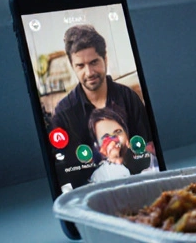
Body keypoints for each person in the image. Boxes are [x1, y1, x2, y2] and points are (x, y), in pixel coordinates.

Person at [51, 24, 156, 186]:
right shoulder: (64, 114)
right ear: (73, 66)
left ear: (105, 59)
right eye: (80, 66)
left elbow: (148, 148)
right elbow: (70, 173)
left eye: (94, 62)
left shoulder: (128, 97)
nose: (89, 72)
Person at [87, 104, 159, 183]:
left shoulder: (150, 161)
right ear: (98, 147)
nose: (114, 140)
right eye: (106, 137)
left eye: (118, 132)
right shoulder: (99, 177)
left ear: (127, 137)